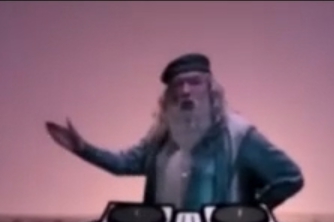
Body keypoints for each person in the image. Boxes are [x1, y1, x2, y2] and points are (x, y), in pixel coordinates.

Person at [46, 53, 304, 213]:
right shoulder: (161, 137)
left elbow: (289, 177)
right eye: (179, 85)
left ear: (211, 89)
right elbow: (123, 163)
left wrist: (247, 214)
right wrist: (82, 148)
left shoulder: (238, 136)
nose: (186, 91)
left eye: (194, 82)